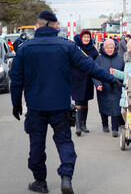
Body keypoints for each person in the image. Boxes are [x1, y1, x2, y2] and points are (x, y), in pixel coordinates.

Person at [9, 10, 120, 194]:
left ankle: (40, 182)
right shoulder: (67, 46)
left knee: (36, 144)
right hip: (59, 106)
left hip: (36, 107)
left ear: (38, 25)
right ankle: (66, 177)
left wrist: (16, 103)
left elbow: (16, 78)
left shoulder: (26, 47)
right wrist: (109, 79)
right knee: (64, 142)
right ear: (54, 25)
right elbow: (89, 66)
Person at [93, 39, 124, 137]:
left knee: (116, 107)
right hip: (104, 87)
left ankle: (115, 128)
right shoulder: (99, 59)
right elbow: (94, 73)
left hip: (117, 86)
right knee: (103, 106)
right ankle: (105, 124)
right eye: (108, 48)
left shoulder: (120, 58)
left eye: (112, 47)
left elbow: (124, 72)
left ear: (115, 48)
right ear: (104, 48)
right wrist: (98, 84)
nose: (110, 49)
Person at [72, 30, 99, 136]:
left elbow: (97, 63)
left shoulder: (93, 50)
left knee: (85, 102)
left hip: (88, 78)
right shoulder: (76, 48)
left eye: (88, 37)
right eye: (85, 37)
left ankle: (84, 124)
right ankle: (78, 125)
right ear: (81, 38)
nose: (86, 39)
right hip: (77, 78)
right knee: (78, 102)